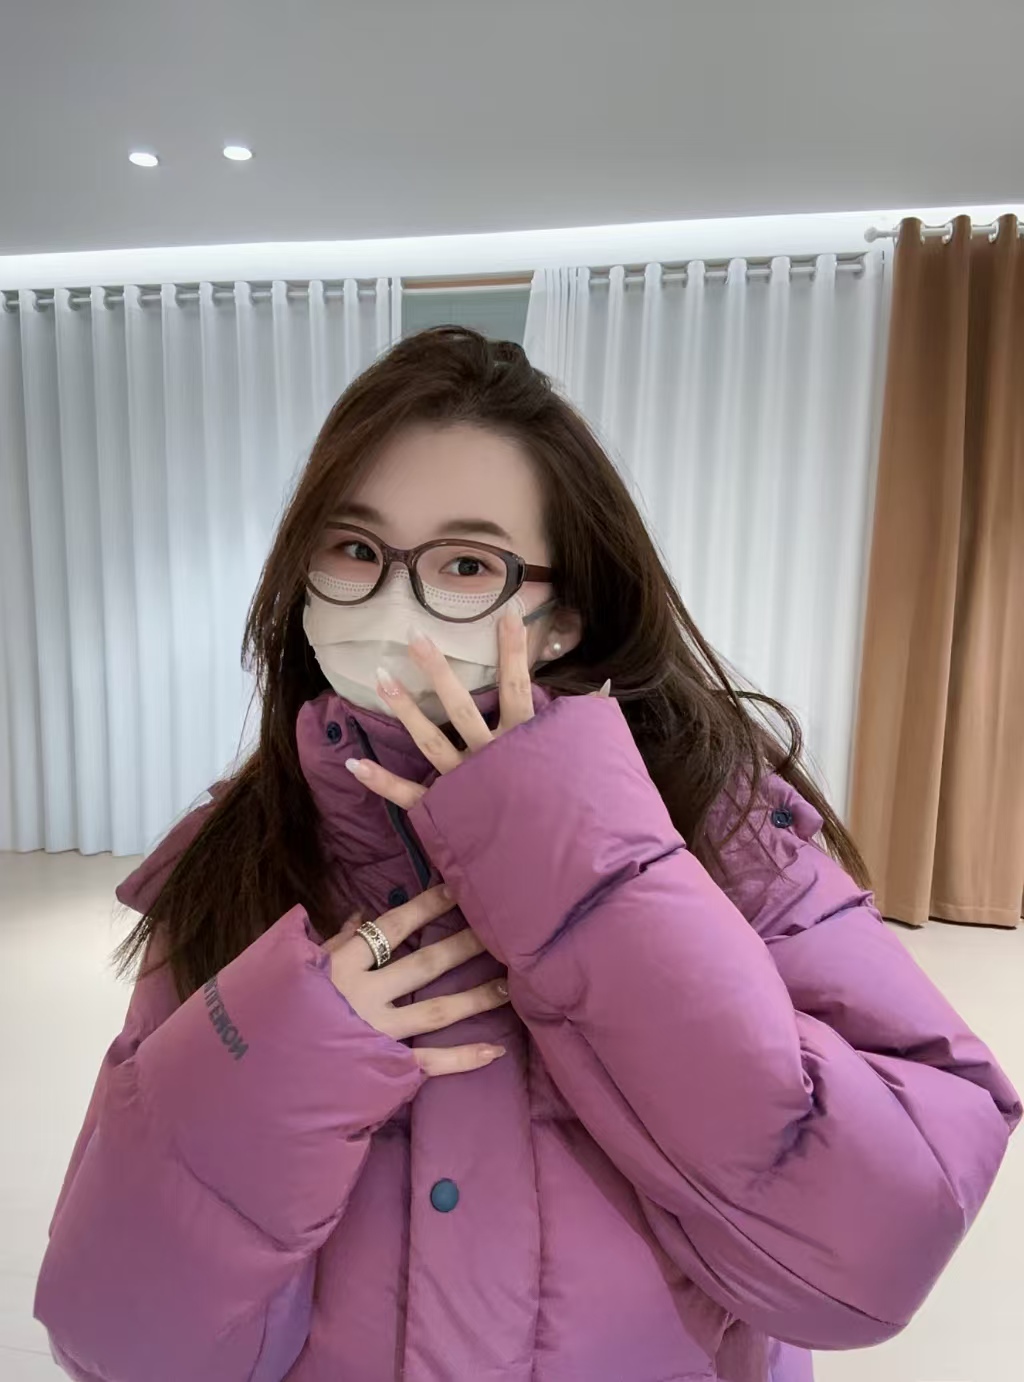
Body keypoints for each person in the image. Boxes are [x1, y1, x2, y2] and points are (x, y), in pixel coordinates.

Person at [35, 326, 1019, 1382]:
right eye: (354, 548)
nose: (394, 602)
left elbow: (873, 1252)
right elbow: (119, 1339)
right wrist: (278, 1059)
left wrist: (586, 874)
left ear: (561, 618)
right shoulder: (237, 860)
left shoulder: (718, 827)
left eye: (466, 564)